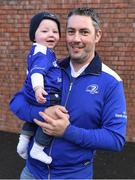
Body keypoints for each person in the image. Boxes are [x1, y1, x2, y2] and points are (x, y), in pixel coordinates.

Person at [10, 7, 127, 179]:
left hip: (73, 175)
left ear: (97, 35)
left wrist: (67, 131)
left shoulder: (111, 82)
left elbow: (115, 139)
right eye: (71, 31)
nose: (76, 39)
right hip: (32, 173)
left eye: (84, 32)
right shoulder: (50, 68)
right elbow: (16, 102)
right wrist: (42, 114)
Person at [9, 11, 66, 164]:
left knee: (34, 116)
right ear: (34, 36)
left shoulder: (41, 51)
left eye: (55, 31)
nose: (51, 34)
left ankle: (24, 139)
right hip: (44, 93)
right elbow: (37, 72)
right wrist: (38, 88)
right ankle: (38, 148)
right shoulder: (42, 52)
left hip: (34, 95)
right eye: (45, 31)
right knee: (51, 116)